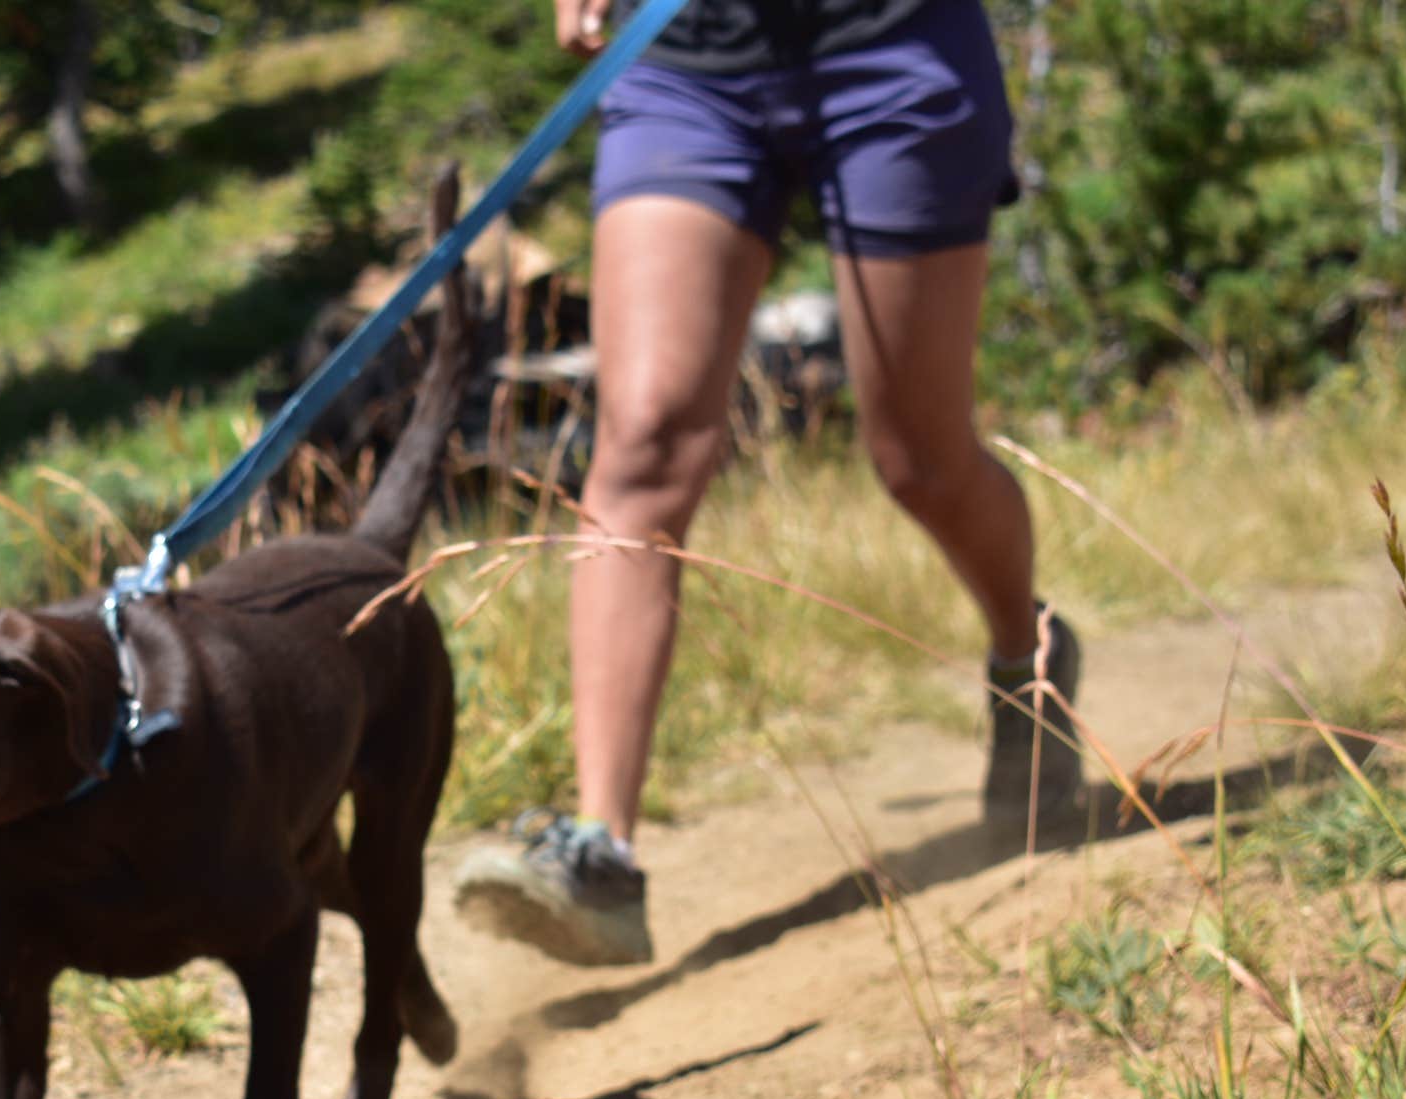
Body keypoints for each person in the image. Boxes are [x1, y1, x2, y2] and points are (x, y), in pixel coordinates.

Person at [453, 0, 1081, 967]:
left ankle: (1026, 662)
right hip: (687, 64)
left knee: (918, 458)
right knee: (645, 438)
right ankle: (601, 852)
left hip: (889, 45)